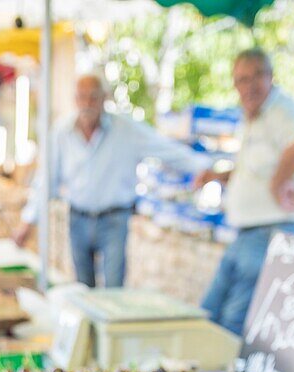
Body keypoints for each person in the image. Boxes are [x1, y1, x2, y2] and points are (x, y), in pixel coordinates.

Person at [13, 74, 209, 288]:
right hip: (78, 218)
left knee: (114, 288)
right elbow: (47, 180)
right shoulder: (62, 133)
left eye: (93, 97)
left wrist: (205, 167)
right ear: (75, 99)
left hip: (114, 220)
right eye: (82, 97)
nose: (87, 104)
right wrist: (28, 221)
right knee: (82, 287)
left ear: (104, 98)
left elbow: (165, 149)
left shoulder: (126, 130)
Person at [196, 49, 294, 335]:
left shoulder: (281, 110)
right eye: (241, 79)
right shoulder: (252, 117)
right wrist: (217, 176)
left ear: (270, 77)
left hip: (267, 231)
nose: (248, 86)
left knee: (232, 322)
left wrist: (278, 183)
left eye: (255, 77)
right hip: (245, 232)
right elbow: (250, 170)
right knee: (208, 314)